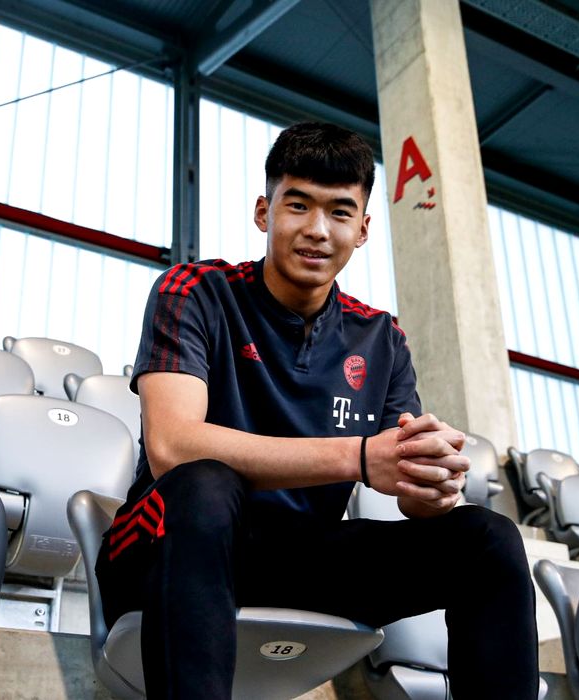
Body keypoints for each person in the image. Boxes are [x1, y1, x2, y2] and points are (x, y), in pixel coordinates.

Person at [96, 122, 539, 699]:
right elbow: (172, 447)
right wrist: (360, 457)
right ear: (264, 212)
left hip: (300, 558)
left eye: (339, 212)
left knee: (489, 539)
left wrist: (431, 483)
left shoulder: (380, 338)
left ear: (363, 230)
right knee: (205, 482)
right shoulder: (195, 291)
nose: (317, 230)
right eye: (298, 205)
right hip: (171, 547)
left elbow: (408, 491)